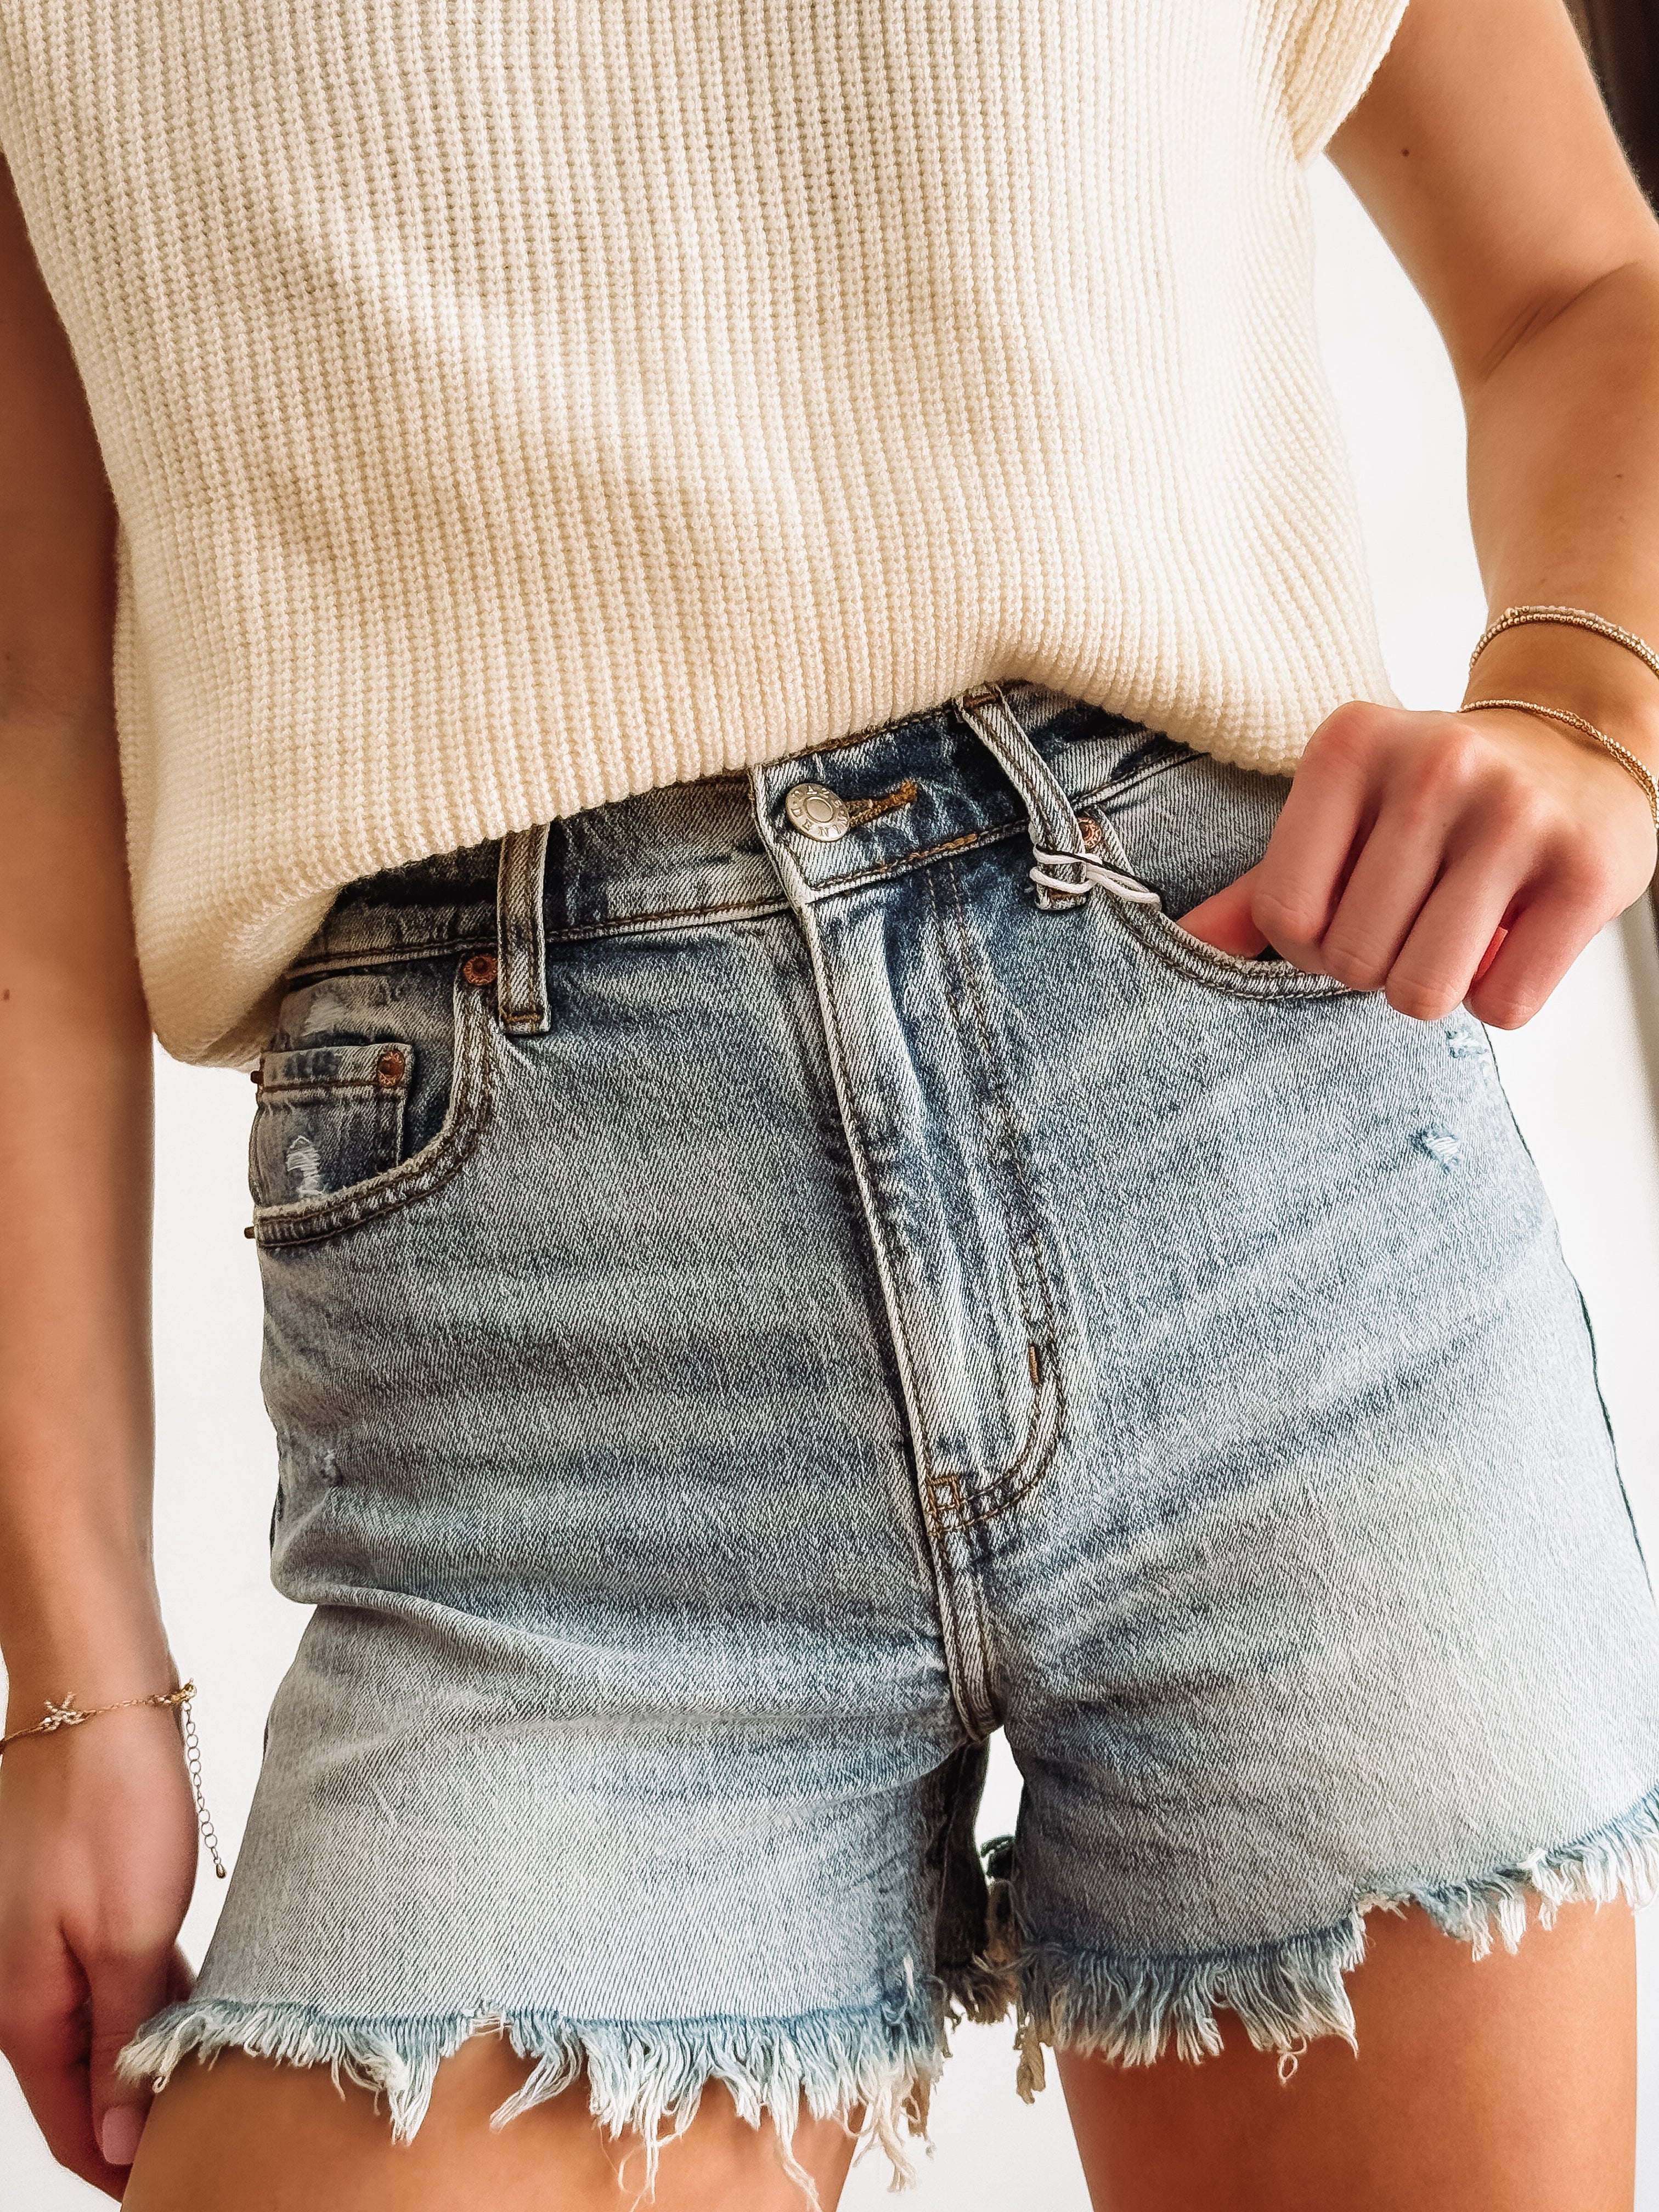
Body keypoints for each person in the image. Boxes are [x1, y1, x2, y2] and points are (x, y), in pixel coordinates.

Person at [2, 0, 1658, 2205]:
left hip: (1263, 1209)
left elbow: (1578, 282)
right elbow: (27, 714)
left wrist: (1586, 693)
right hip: (538, 1412)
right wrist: (74, 1672)